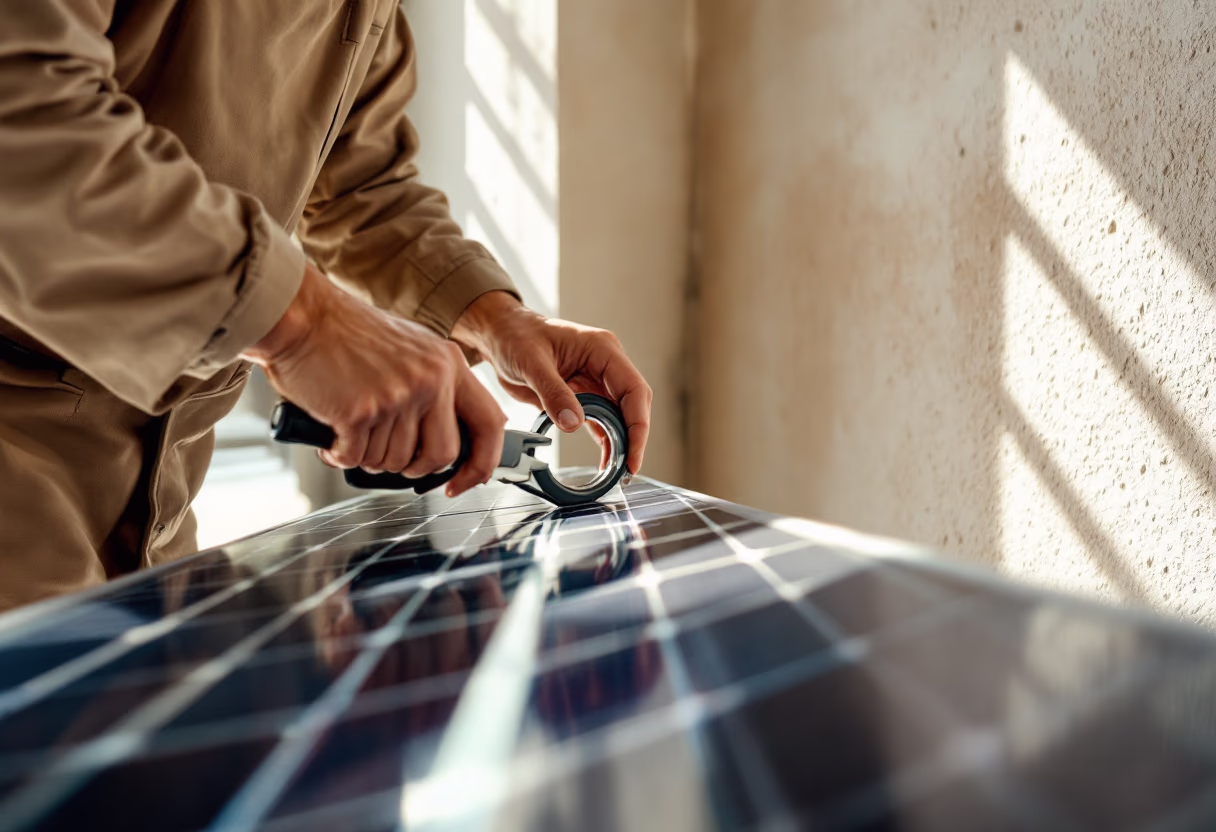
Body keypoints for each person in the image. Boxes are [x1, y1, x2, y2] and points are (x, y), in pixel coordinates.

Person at [0, 0, 652, 611]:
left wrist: (493, 316)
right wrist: (307, 324)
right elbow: (25, 117)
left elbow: (358, 182)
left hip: (161, 498)